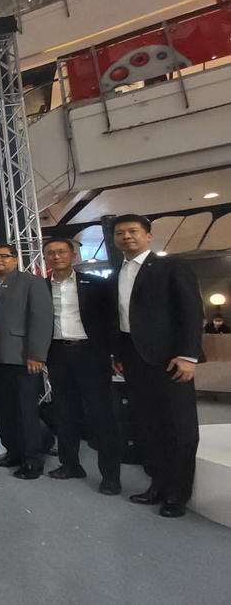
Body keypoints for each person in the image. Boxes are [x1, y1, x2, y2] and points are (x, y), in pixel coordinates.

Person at [111, 214, 203, 518]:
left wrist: (188, 355)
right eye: (120, 233)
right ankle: (158, 485)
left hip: (170, 360)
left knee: (179, 427)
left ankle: (178, 494)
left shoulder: (171, 266)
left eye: (133, 231)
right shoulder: (117, 272)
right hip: (133, 359)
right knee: (148, 426)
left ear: (148, 235)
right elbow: (121, 318)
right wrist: (118, 355)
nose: (127, 237)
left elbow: (191, 311)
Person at [43, 239, 122, 495]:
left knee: (102, 414)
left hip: (91, 353)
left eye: (61, 252)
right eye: (50, 253)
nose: (56, 256)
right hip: (58, 353)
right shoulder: (42, 287)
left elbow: (111, 320)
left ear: (73, 255)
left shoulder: (96, 284)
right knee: (65, 412)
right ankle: (70, 464)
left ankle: (110, 476)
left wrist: (115, 353)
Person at [0, 243, 53, 480]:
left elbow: (41, 319)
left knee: (25, 411)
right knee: (1, 409)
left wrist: (36, 354)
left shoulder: (32, 282)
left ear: (14, 259)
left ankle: (33, 460)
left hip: (21, 357)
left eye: (4, 256)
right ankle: (12, 452)